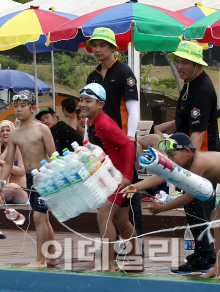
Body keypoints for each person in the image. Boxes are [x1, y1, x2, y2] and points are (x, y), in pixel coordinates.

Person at [122, 133, 220, 279]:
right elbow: (163, 175)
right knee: (216, 220)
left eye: (172, 155)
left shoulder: (198, 163)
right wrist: (136, 187)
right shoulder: (186, 161)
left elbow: (189, 196)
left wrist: (163, 208)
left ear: (187, 151)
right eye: (168, 156)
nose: (170, 159)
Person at [85, 27, 143, 246]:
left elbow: (133, 107)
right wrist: (86, 140)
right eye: (95, 46)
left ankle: (137, 246)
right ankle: (114, 244)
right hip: (98, 142)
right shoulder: (93, 75)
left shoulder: (124, 72)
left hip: (120, 141)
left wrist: (131, 138)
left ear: (112, 48)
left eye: (102, 46)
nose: (98, 50)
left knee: (127, 195)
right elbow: (86, 112)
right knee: (105, 196)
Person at [167, 40, 220, 272]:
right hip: (195, 157)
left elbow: (198, 134)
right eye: (177, 61)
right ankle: (204, 255)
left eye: (184, 62)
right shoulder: (190, 84)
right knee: (196, 210)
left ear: (197, 63)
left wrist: (187, 168)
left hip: (202, 159)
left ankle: (204, 257)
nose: (179, 66)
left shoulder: (201, 89)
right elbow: (185, 121)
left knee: (199, 209)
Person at [79, 83, 139, 272]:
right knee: (121, 220)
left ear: (101, 104)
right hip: (112, 174)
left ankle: (108, 265)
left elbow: (129, 146)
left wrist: (127, 177)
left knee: (104, 214)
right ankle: (137, 262)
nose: (82, 104)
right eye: (81, 100)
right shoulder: (92, 121)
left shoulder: (104, 123)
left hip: (120, 177)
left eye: (88, 101)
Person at [0, 90, 58, 268]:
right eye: (16, 106)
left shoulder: (42, 129)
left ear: (32, 108)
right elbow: (8, 163)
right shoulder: (15, 134)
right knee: (43, 218)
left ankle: (40, 260)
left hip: (44, 177)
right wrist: (1, 182)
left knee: (38, 217)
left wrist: (57, 176)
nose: (18, 109)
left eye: (22, 106)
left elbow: (53, 155)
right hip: (31, 179)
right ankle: (52, 255)